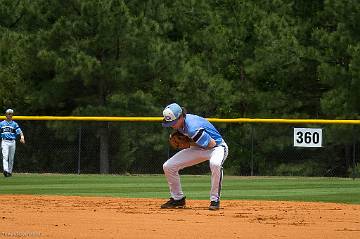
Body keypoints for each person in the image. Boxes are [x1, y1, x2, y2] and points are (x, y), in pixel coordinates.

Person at [161, 103, 229, 210]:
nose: (172, 125)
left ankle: (214, 200)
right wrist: (187, 142)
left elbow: (211, 144)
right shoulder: (180, 124)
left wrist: (188, 144)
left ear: (181, 117)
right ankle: (178, 199)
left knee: (215, 164)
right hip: (200, 148)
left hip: (217, 148)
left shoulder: (193, 127)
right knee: (168, 166)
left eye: (173, 122)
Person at [1, 109, 25, 177]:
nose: (10, 115)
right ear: (6, 115)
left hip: (12, 142)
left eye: (11, 114)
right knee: (5, 156)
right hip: (5, 141)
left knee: (11, 158)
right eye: (9, 114)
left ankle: (10, 172)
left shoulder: (14, 124)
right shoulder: (1, 124)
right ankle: (5, 170)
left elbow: (20, 131)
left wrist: (22, 137)